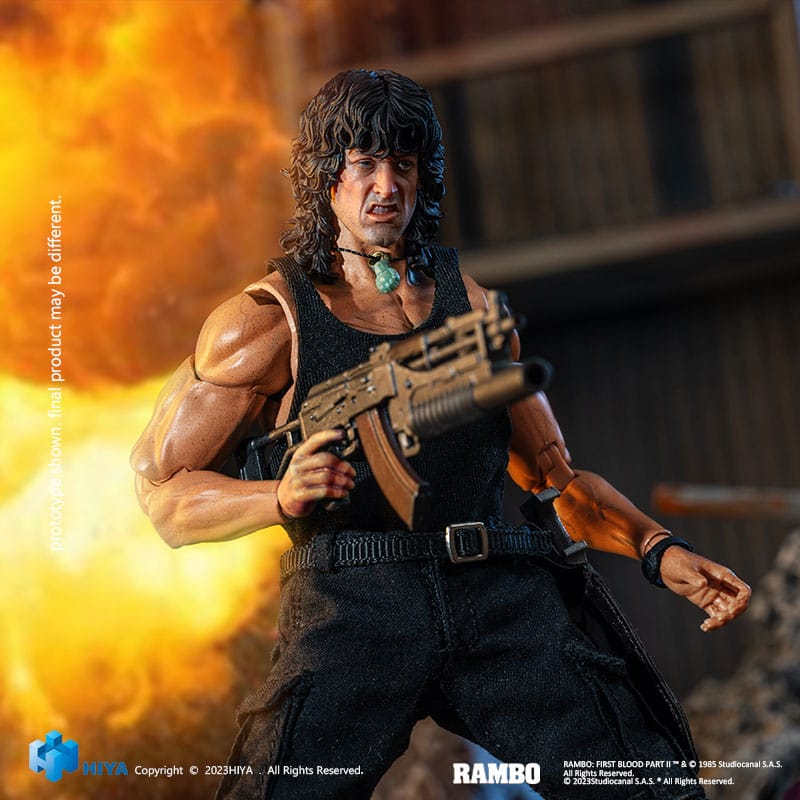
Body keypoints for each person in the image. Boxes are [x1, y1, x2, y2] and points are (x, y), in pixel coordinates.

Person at [131, 69, 751, 799]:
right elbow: (165, 498)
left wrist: (657, 550)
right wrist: (277, 496)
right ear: (327, 177)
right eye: (364, 163)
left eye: (403, 163)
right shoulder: (265, 324)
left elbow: (557, 484)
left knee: (650, 784)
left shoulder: (474, 310)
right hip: (353, 609)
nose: (386, 185)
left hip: (495, 596)